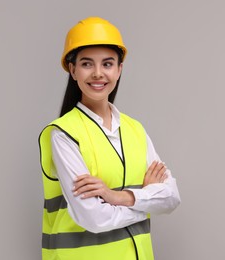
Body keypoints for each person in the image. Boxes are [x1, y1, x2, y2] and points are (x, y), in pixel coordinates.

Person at [38, 17, 181, 260]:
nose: (97, 73)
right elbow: (93, 218)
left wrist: (116, 197)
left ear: (119, 69)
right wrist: (145, 203)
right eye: (86, 64)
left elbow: (171, 198)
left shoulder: (135, 129)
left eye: (107, 64)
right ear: (72, 70)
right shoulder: (63, 134)